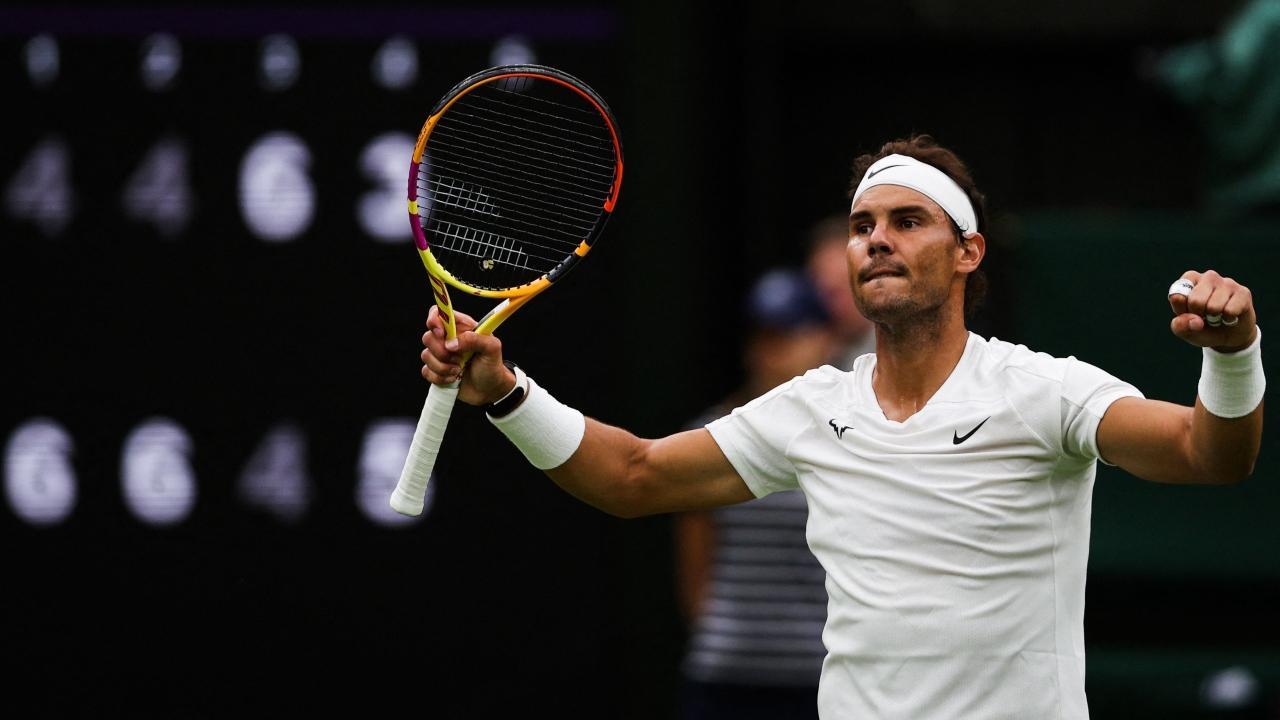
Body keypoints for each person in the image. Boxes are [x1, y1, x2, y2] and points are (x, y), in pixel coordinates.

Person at [417, 135, 1265, 718]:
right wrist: (506, 392)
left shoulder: (1043, 391)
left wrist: (1233, 355)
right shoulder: (810, 407)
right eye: (863, 227)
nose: (876, 242)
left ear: (968, 252)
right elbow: (633, 476)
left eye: (907, 222)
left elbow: (1209, 455)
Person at [675, 269, 833, 719]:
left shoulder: (848, 440)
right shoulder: (707, 437)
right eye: (764, 337)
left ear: (823, 340)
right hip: (725, 674)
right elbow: (694, 563)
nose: (773, 351)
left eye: (790, 335)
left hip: (818, 675)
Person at [805, 215, 876, 369]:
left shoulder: (904, 349)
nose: (834, 305)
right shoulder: (821, 356)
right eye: (826, 293)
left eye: (841, 288)